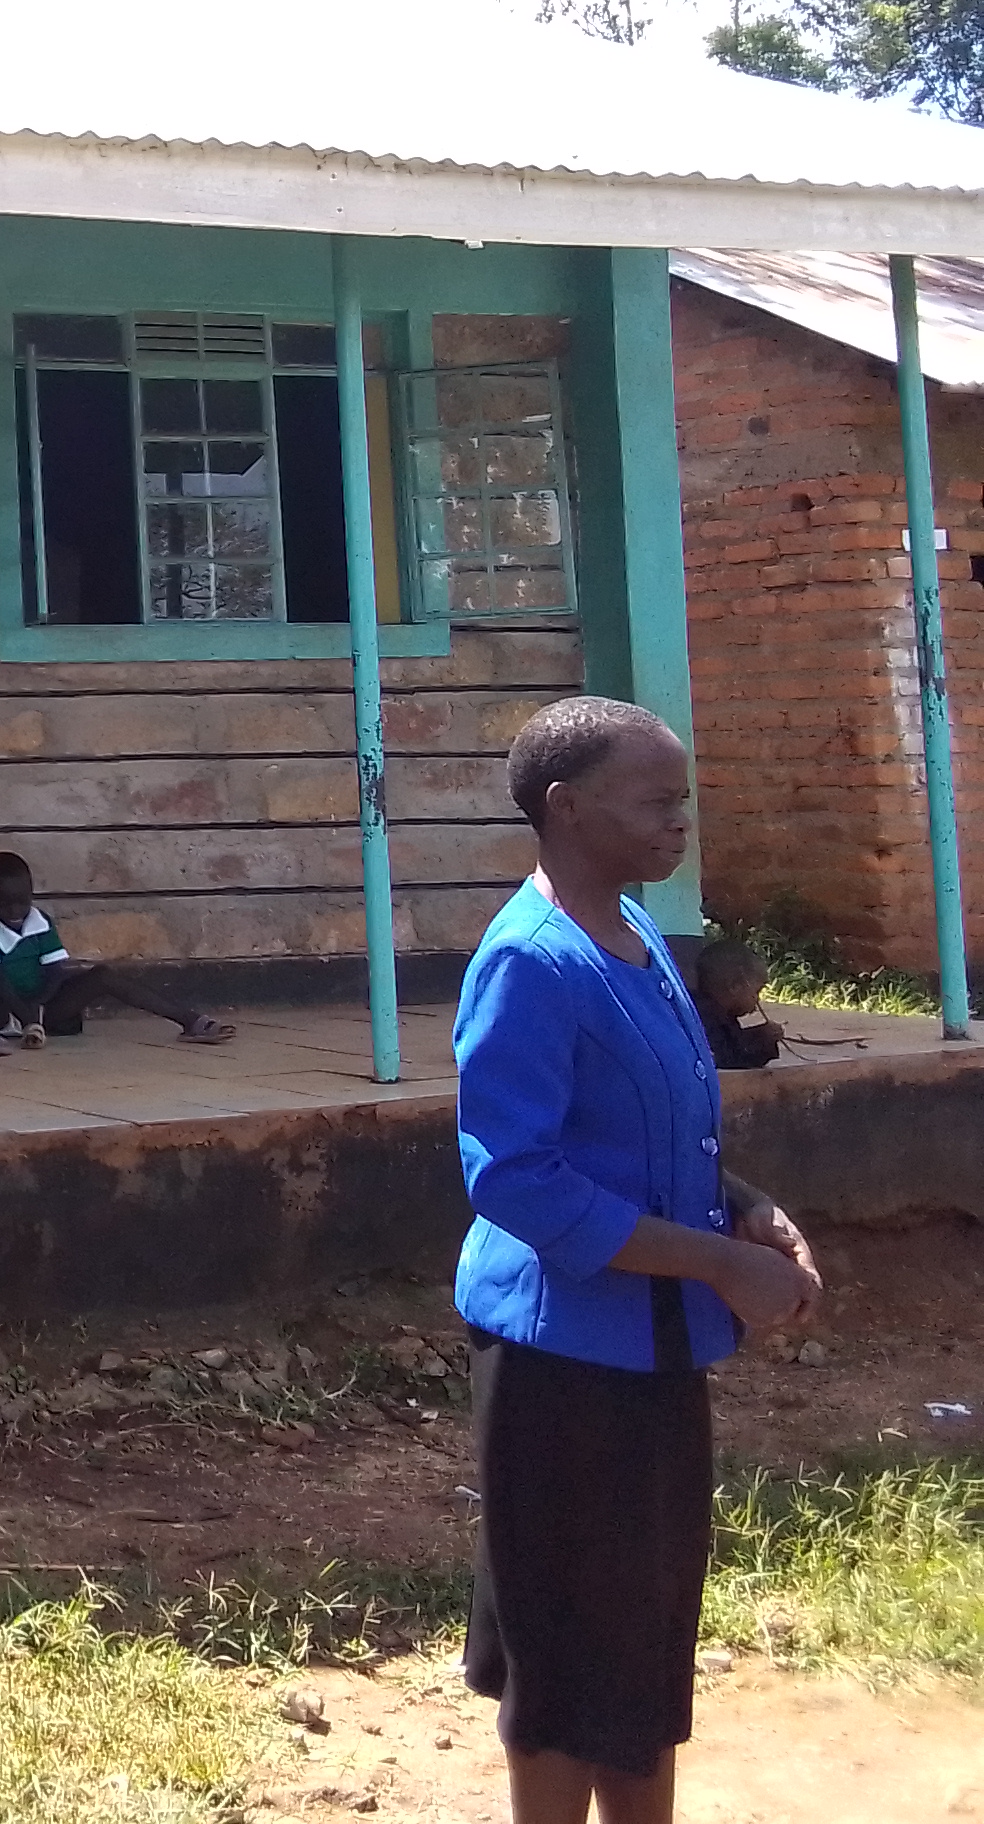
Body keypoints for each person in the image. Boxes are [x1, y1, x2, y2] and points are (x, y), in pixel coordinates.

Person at [456, 696, 822, 1824]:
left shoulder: (642, 940)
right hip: (563, 1363)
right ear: (568, 809)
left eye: (681, 800)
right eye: (655, 801)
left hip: (650, 1350)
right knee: (567, 1659)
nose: (678, 822)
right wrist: (712, 1266)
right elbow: (515, 1176)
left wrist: (749, 1212)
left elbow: (664, 1141)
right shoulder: (533, 963)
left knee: (645, 1635)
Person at [0, 852, 234, 1057]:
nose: (15, 912)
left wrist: (37, 1009)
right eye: (5, 905)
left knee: (104, 976)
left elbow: (55, 970)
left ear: (32, 894)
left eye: (22, 902)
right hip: (2, 1010)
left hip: (43, 1008)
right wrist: (24, 1016)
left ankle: (190, 1021)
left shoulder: (40, 922)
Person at [687, 938, 785, 1070]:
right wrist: (762, 1038)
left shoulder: (723, 1015)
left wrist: (761, 1034)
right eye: (757, 991)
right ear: (735, 986)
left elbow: (734, 1041)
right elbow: (726, 1058)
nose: (757, 999)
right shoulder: (700, 1016)